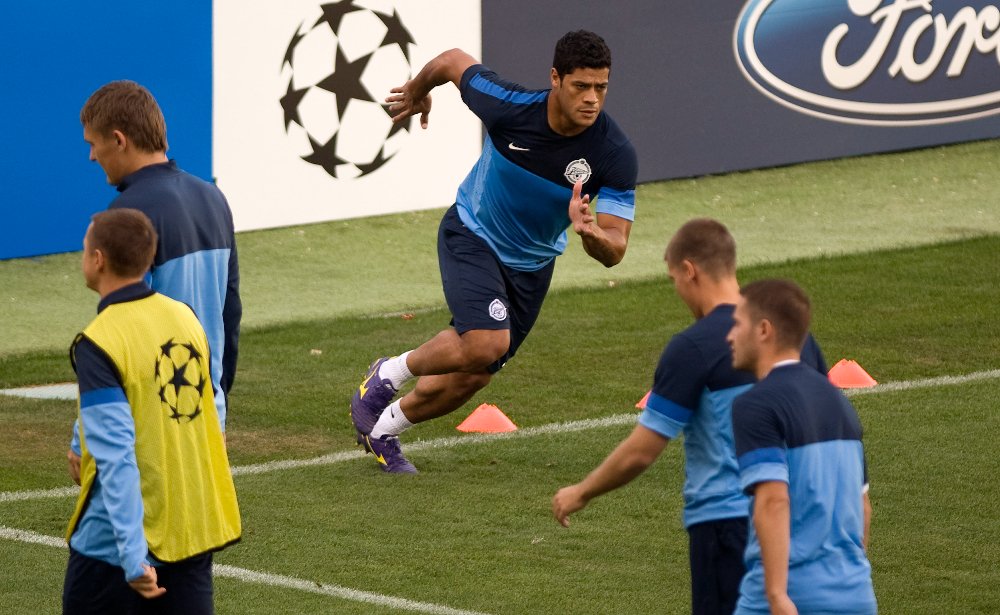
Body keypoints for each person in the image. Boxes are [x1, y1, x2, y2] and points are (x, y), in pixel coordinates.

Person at [349, 30, 638, 473]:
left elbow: (615, 249)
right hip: (472, 233)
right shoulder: (510, 106)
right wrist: (416, 91)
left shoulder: (613, 153)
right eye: (581, 86)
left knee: (474, 373)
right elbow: (451, 60)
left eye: (601, 87)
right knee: (485, 341)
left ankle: (384, 430)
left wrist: (590, 232)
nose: (592, 99)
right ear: (556, 79)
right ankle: (387, 374)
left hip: (532, 266)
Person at [551, 219, 826, 615]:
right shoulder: (793, 337)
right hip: (800, 517)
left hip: (729, 525)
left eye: (672, 279)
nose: (677, 290)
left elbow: (642, 451)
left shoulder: (694, 346)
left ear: (689, 270)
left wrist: (581, 492)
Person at [63, 209, 241, 614]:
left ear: (98, 260)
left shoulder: (100, 341)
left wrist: (131, 555)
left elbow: (115, 459)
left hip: (116, 549)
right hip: (191, 531)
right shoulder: (185, 317)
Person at [79, 80, 241, 433]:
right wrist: (219, 396)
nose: (92, 156)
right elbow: (231, 310)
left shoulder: (127, 214)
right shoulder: (213, 198)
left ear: (119, 140)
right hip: (208, 409)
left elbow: (119, 328)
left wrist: (83, 437)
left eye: (94, 144)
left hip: (154, 417)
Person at [727, 279, 876, 615]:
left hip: (788, 598)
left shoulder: (757, 404)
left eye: (737, 324)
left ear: (763, 330)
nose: (729, 336)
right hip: (855, 595)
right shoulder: (840, 403)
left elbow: (774, 500)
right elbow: (863, 508)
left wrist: (778, 596)